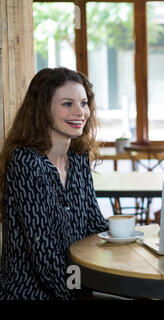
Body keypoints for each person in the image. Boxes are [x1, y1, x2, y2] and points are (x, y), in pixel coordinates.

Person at [0, 67, 108, 300]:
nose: (80, 112)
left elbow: (94, 225)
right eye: (67, 104)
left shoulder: (78, 157)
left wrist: (130, 241)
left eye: (83, 102)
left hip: (76, 285)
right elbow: (45, 255)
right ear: (42, 109)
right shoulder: (25, 162)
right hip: (30, 294)